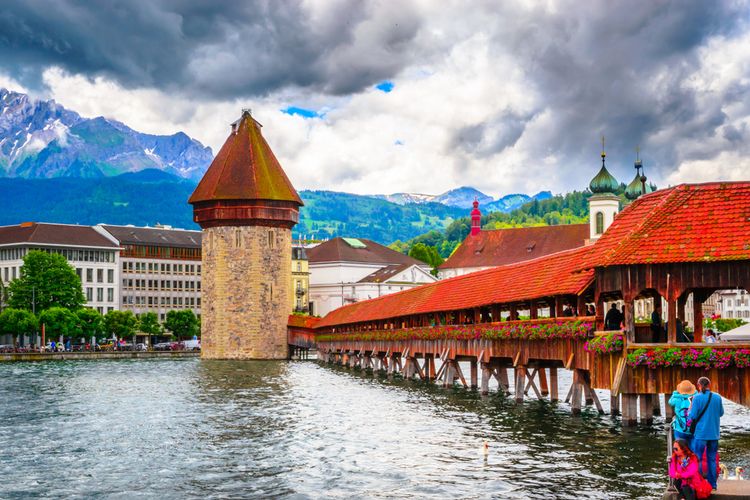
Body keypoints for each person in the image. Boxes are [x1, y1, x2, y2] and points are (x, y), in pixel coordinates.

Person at [689, 377, 724, 490]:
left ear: (698, 385)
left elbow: (693, 416)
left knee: (697, 458)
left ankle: (699, 483)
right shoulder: (717, 397)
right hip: (714, 433)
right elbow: (721, 413)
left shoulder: (697, 398)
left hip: (701, 434)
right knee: (712, 459)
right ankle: (713, 484)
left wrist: (689, 409)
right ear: (710, 384)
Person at [669, 380, 696, 448]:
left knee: (681, 450)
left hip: (679, 429)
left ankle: (683, 459)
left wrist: (675, 393)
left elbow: (670, 402)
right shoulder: (695, 398)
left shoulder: (676, 399)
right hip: (693, 429)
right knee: (693, 451)